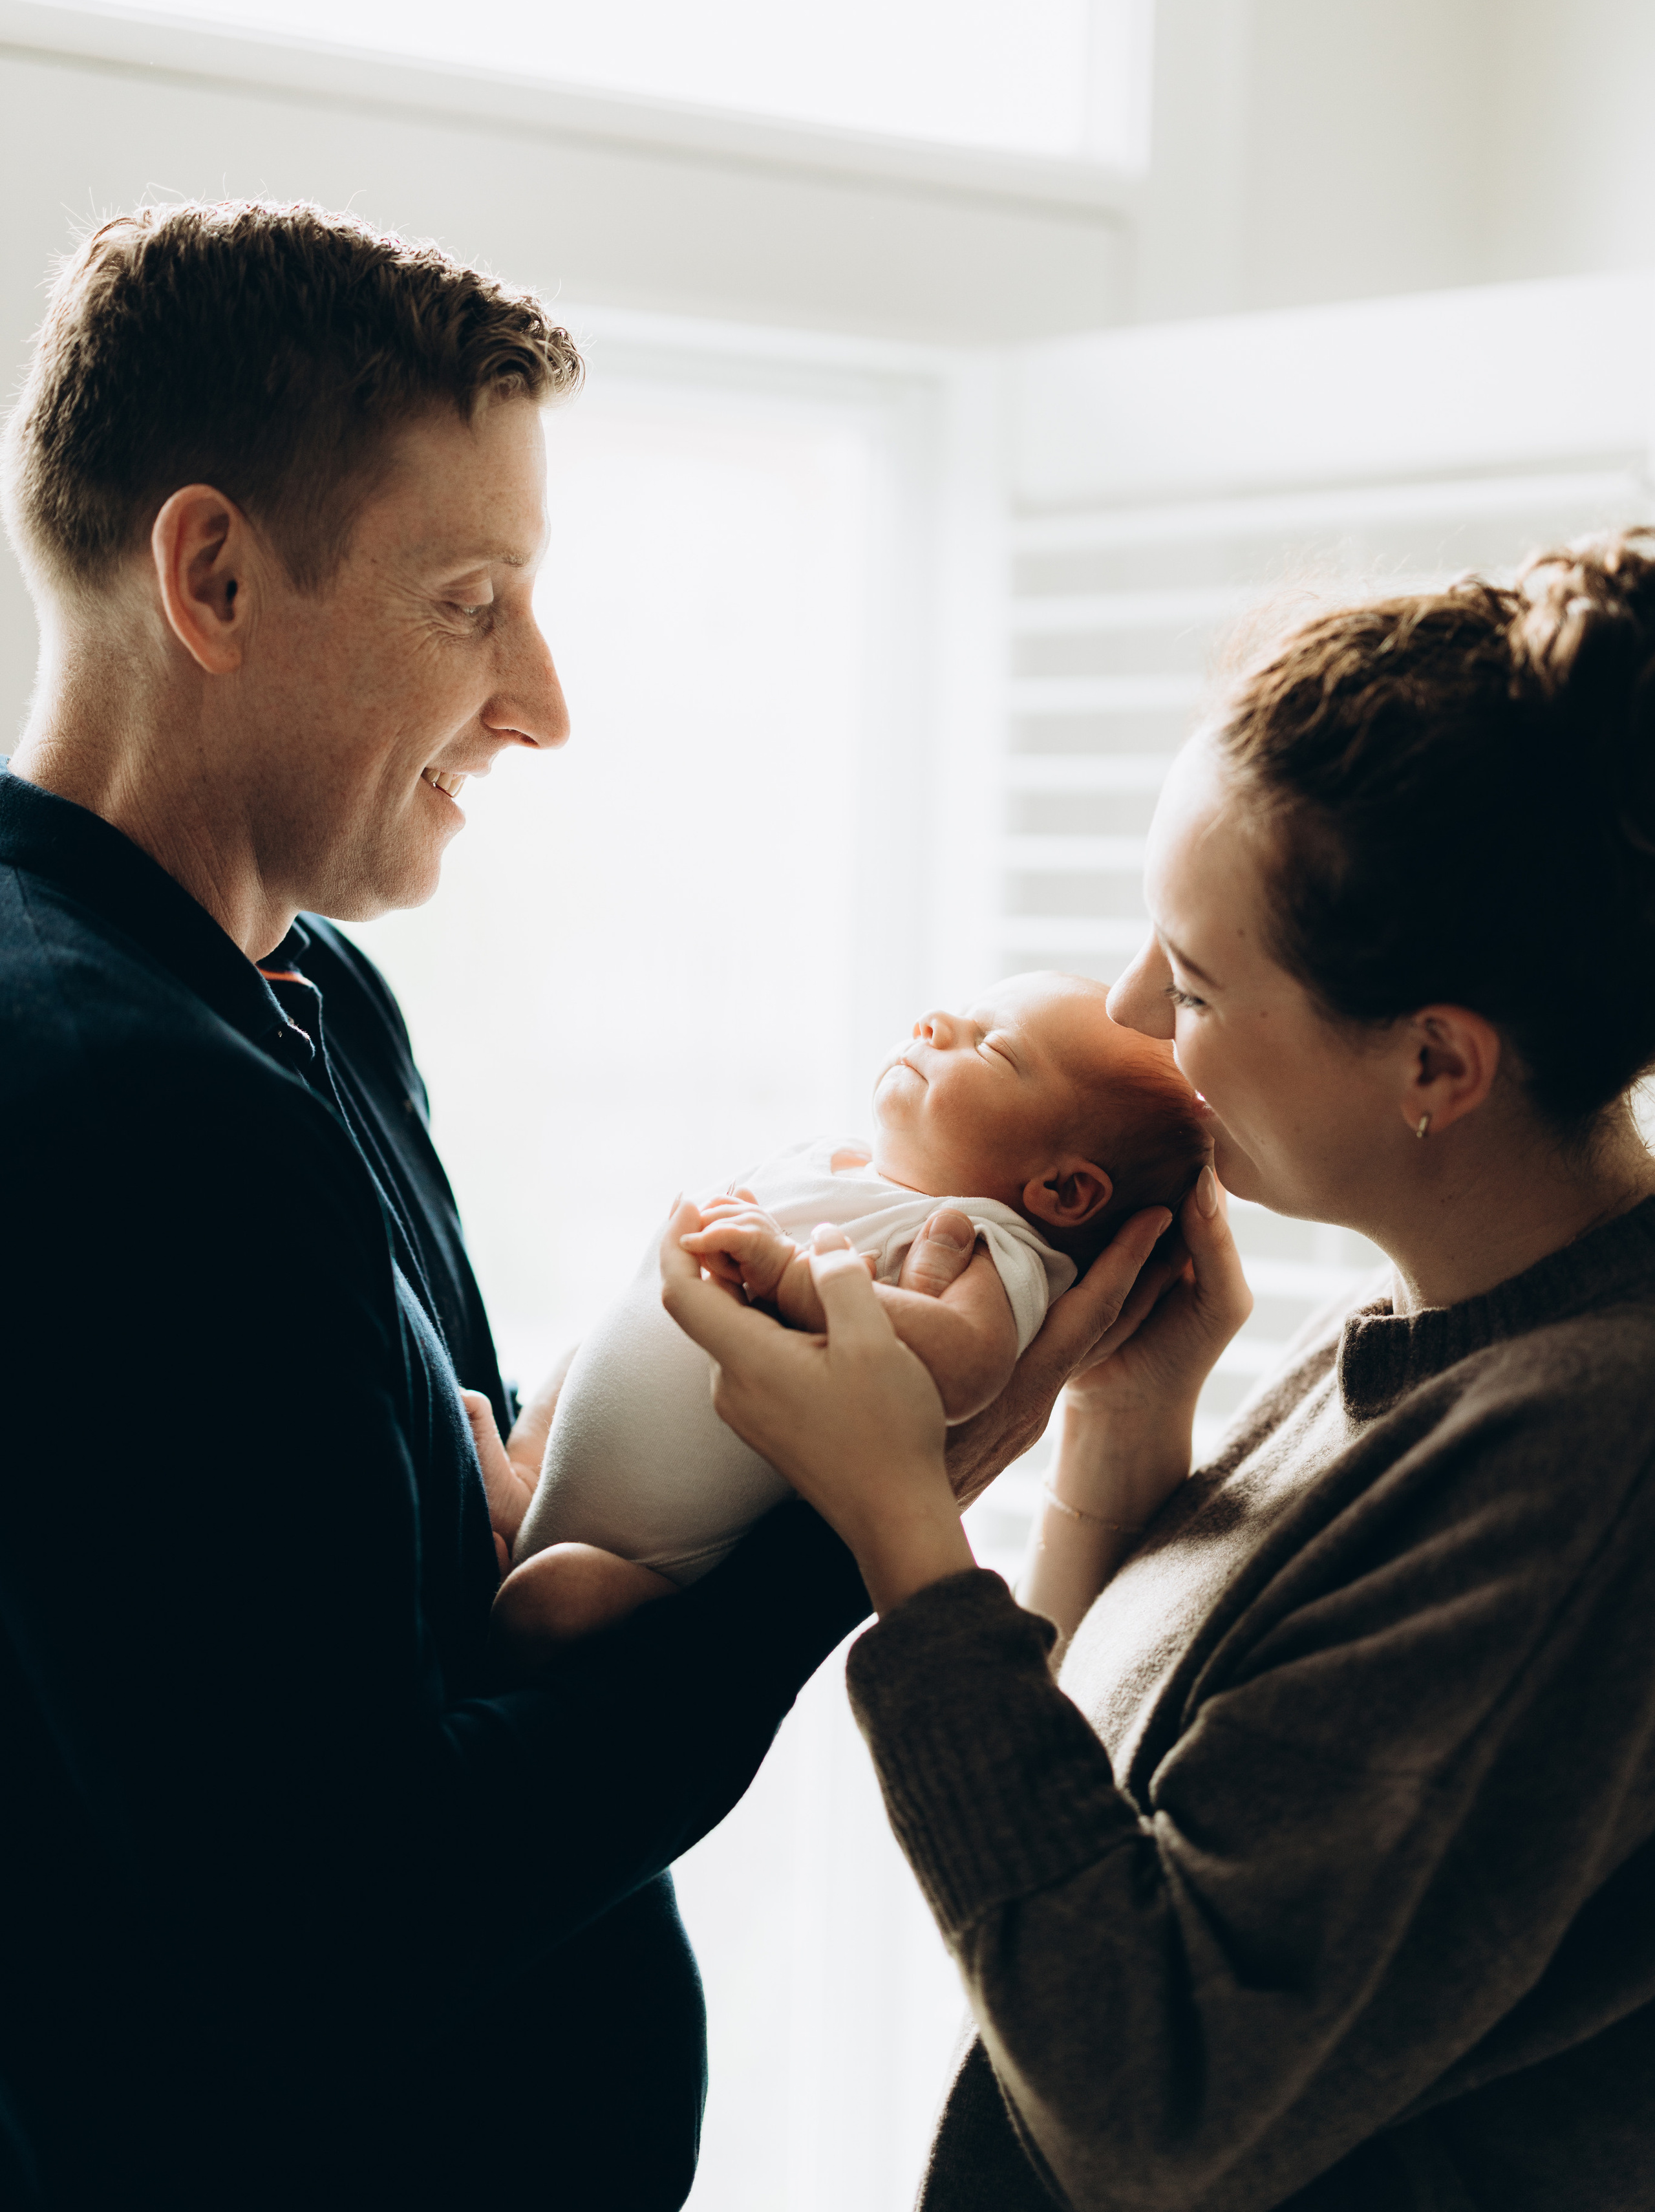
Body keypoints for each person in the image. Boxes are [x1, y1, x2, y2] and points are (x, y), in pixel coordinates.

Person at [0, 200, 1171, 2212]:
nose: (542, 698)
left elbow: (446, 1606)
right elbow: (350, 1918)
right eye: (472, 600)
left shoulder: (308, 998)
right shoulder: (117, 1101)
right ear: (208, 572)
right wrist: (871, 1503)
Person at [662, 533, 1655, 2209]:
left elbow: (1148, 2096)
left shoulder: (1583, 1451)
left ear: (1435, 1061)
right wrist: (1127, 1437)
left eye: (1189, 981)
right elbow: (1099, 1844)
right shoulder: (1417, 1348)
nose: (1127, 1012)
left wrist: (909, 1531)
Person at [465, 972, 1206, 1653]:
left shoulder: (989, 1241)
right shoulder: (831, 1156)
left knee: (548, 1598)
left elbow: (966, 1366)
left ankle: (546, 1551)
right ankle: (529, 1482)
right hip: (596, 1457)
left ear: (1064, 1192)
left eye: (992, 1047)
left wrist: (792, 1274)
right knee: (577, 1352)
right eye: (958, 1013)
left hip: (651, 1560)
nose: (934, 1023)